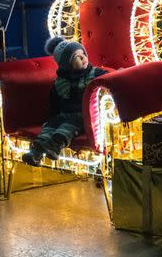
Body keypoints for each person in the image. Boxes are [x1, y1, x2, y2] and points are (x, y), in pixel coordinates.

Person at [22, 37, 108, 166]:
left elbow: (108, 78)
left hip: (83, 115)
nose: (83, 58)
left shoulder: (94, 73)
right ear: (67, 65)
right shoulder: (60, 82)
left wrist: (119, 74)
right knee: (50, 126)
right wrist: (52, 117)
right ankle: (36, 152)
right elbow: (54, 102)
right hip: (64, 113)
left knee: (67, 127)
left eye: (83, 54)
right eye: (76, 57)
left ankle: (55, 146)